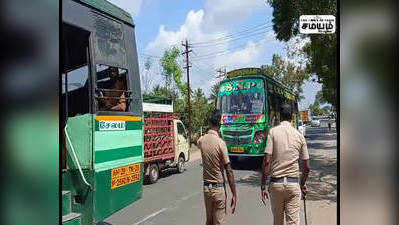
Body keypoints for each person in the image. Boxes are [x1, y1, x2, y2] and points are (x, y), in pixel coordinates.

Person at [260, 104, 311, 225]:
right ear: (292, 117)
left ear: (279, 116)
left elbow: (267, 161)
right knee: (293, 222)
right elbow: (307, 167)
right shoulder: (299, 136)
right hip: (293, 184)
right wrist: (302, 184)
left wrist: (263, 185)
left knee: (277, 222)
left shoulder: (272, 133)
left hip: (276, 184)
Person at [197, 110, 237, 225]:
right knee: (219, 222)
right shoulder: (220, 143)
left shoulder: (202, 140)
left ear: (210, 122)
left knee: (209, 221)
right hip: (218, 189)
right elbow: (228, 170)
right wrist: (234, 194)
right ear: (219, 123)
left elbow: (196, 141)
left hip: (207, 189)